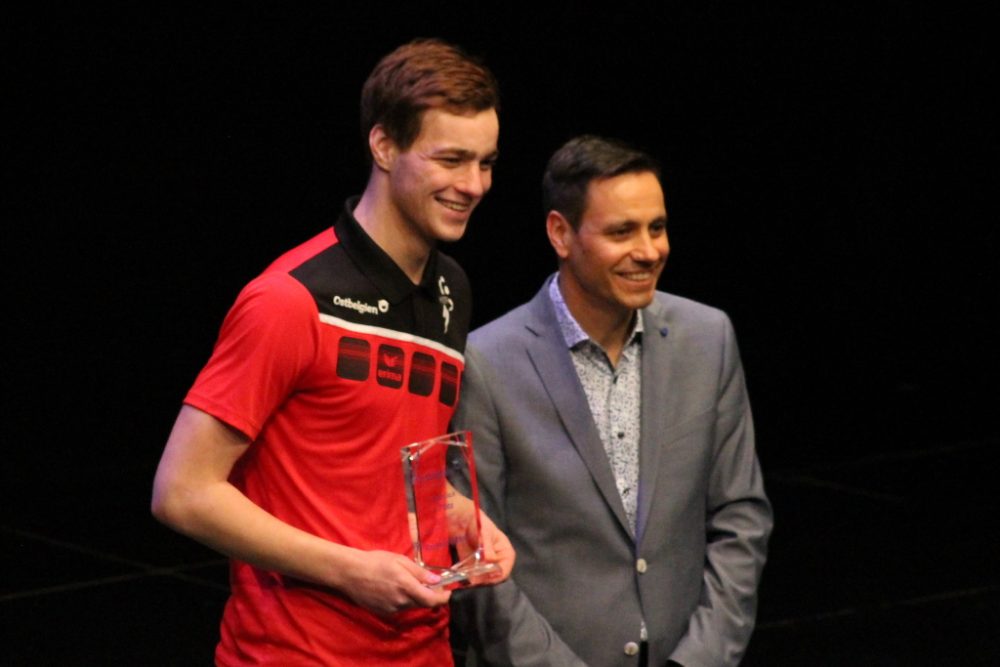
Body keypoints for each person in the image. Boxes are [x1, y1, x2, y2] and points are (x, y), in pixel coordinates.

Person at [151, 38, 514, 666]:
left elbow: (378, 457)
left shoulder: (453, 287)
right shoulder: (289, 301)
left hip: (423, 652)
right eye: (451, 159)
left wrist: (458, 513)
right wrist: (350, 571)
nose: (474, 185)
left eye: (486, 163)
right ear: (383, 146)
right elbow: (183, 491)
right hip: (296, 653)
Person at [451, 135, 773, 666]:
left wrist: (698, 659)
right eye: (622, 231)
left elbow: (741, 515)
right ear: (561, 233)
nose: (648, 251)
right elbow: (476, 557)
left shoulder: (707, 337)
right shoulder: (486, 362)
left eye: (657, 227)